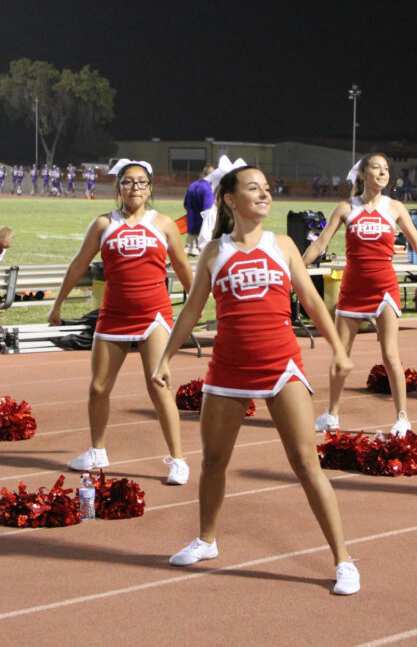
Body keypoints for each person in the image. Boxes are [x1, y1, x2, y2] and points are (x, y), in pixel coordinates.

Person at [152, 162, 360, 595]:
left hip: (280, 365)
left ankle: (343, 560)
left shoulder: (281, 244)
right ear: (230, 200)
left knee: (306, 464)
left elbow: (312, 301)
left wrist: (339, 350)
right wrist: (166, 358)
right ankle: (207, 540)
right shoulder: (214, 252)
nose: (266, 195)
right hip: (227, 369)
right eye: (254, 189)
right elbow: (191, 311)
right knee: (213, 462)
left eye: (267, 188)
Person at [48, 159, 193, 485]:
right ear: (118, 188)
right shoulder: (103, 224)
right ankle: (97, 451)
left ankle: (178, 460)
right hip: (113, 315)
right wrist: (57, 304)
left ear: (150, 188)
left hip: (154, 314)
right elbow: (78, 265)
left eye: (142, 183)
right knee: (98, 387)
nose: (135, 188)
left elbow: (183, 268)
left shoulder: (165, 223)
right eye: (128, 182)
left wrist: (194, 306)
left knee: (158, 385)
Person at [301, 153, 417, 436]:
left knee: (390, 354)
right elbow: (320, 245)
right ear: (363, 174)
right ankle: (332, 415)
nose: (383, 173)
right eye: (377, 168)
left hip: (384, 287)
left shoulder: (395, 207)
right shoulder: (345, 208)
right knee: (341, 355)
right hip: (352, 288)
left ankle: (402, 418)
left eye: (386, 168)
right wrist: (296, 270)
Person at [183, 165, 215, 257]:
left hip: (192, 224)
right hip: (204, 228)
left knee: (188, 250)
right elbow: (208, 210)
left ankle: (178, 269)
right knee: (208, 254)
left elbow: (185, 205)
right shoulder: (208, 188)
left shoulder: (192, 186)